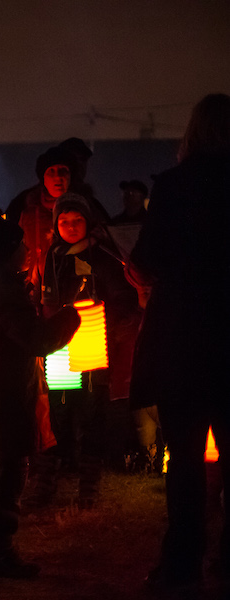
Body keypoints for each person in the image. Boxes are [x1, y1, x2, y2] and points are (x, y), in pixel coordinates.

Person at [130, 93, 230, 588]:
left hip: (184, 344)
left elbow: (148, 259)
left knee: (186, 464)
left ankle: (182, 568)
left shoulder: (174, 187)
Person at [0, 216, 80, 579]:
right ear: (9, 251)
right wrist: (70, 316)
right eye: (22, 245)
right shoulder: (5, 294)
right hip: (3, 396)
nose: (29, 250)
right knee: (7, 470)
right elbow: (38, 341)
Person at [34, 193, 141, 508]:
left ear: (88, 221)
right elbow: (45, 300)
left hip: (94, 348)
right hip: (60, 350)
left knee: (92, 415)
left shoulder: (104, 256)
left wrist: (103, 320)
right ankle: (46, 485)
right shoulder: (53, 255)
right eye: (63, 221)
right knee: (58, 413)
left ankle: (88, 489)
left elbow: (123, 298)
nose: (70, 226)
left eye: (77, 220)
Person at [4, 146, 76, 304]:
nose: (58, 177)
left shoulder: (85, 211)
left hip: (73, 289)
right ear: (42, 177)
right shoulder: (27, 211)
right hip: (33, 291)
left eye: (63, 171)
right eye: (51, 171)